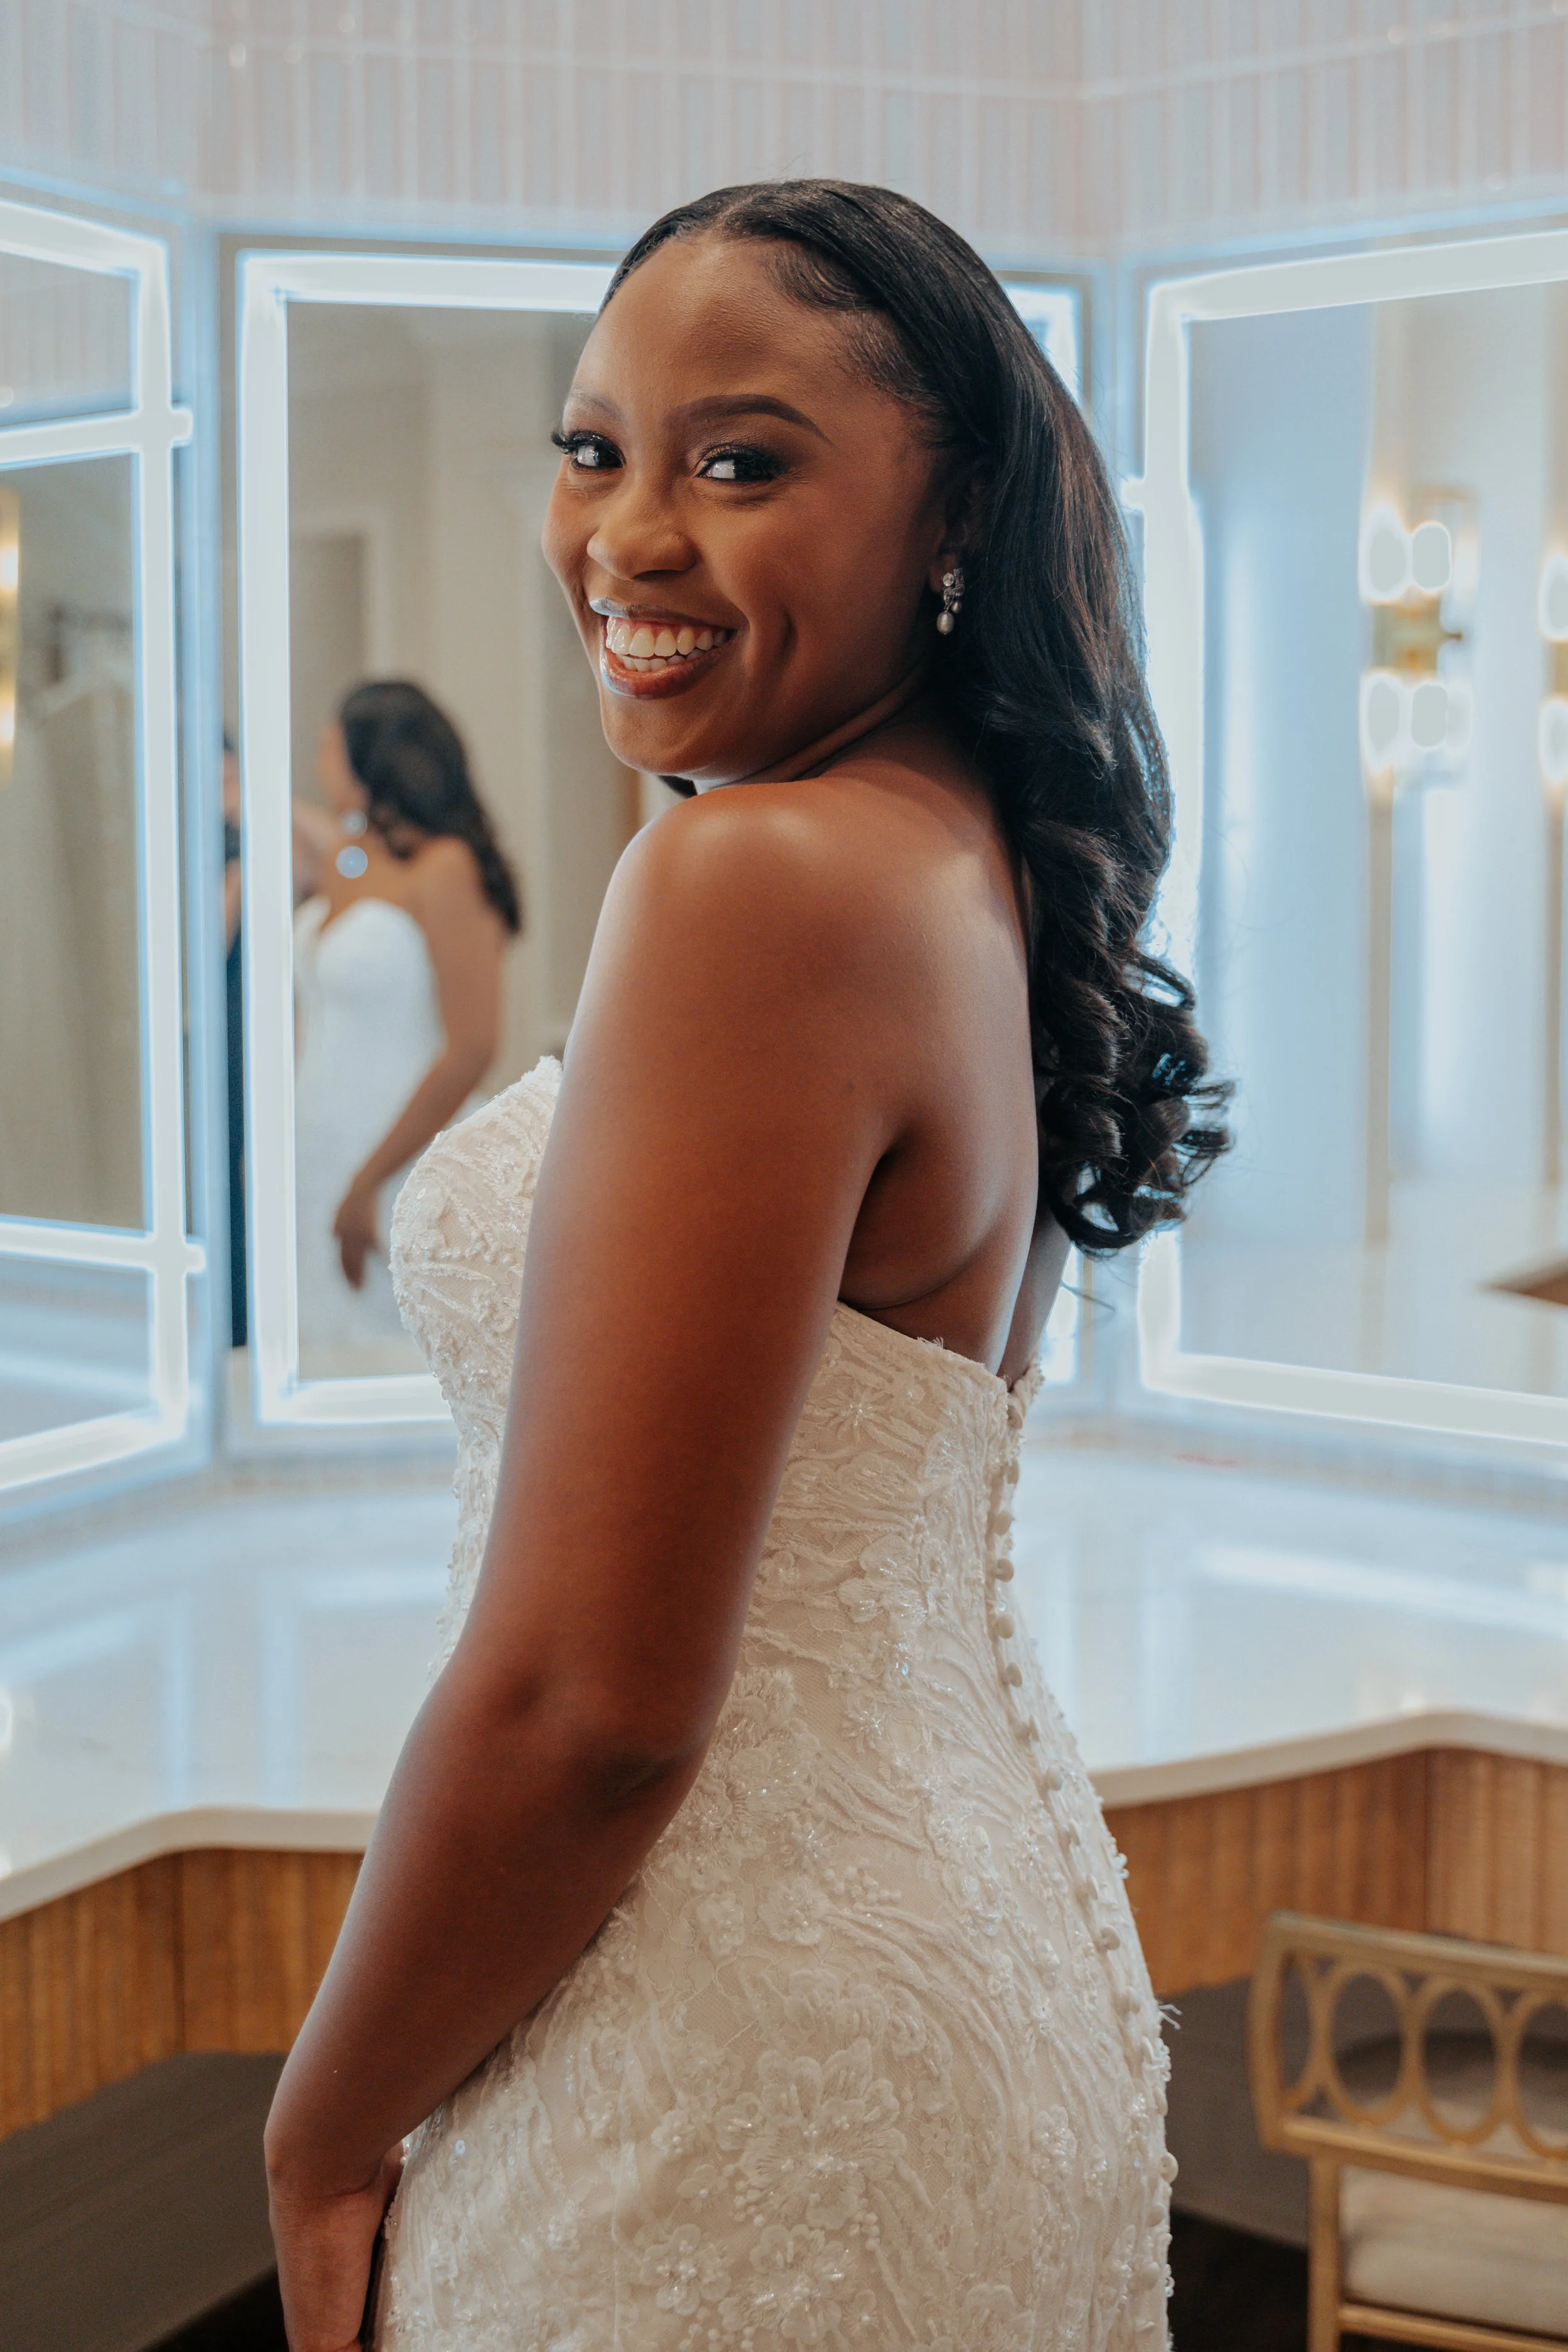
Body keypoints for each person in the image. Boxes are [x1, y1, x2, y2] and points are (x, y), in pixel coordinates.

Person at [264, 181, 1227, 2348]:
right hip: (948, 1984)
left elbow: (596, 1702)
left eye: (743, 460)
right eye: (594, 448)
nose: (629, 536)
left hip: (723, 2053)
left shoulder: (756, 882)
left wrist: (318, 2132)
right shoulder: (950, 837)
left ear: (949, 506)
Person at [289, 681, 520, 1364]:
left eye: (330, 747)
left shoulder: (445, 868)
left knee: (395, 1353)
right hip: (316, 1147)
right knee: (314, 1348)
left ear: (373, 757)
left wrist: (370, 1181)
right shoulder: (351, 861)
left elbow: (473, 1046)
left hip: (403, 1152)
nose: (320, 760)